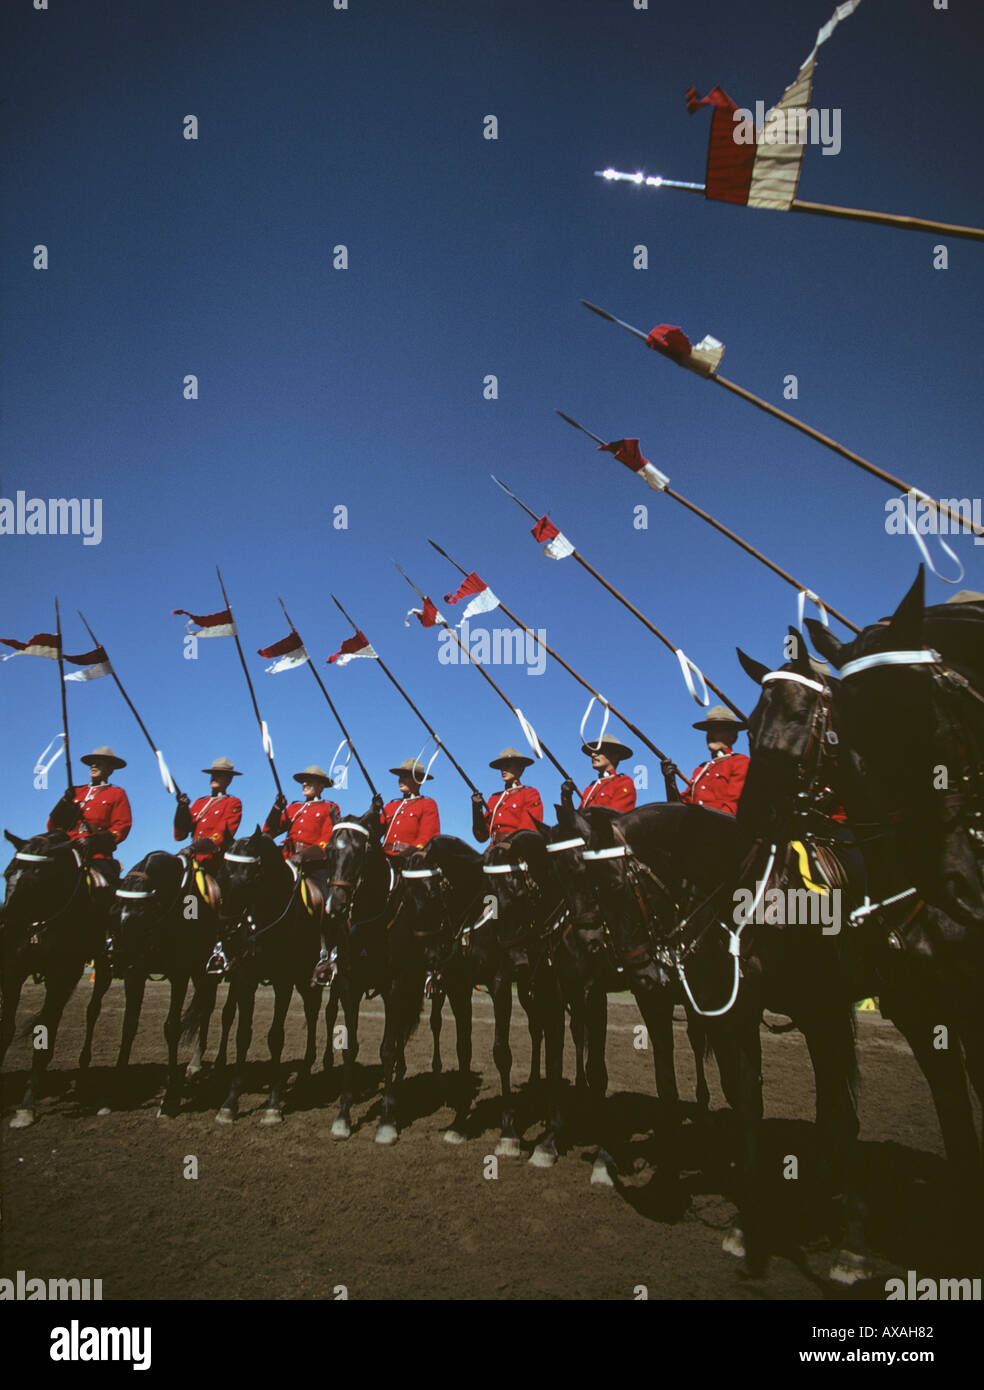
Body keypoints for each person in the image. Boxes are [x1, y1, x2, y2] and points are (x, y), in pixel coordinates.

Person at [47, 745, 132, 880]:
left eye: (99, 763)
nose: (93, 765)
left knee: (106, 884)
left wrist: (94, 841)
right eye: (92, 763)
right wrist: (63, 803)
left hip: (95, 853)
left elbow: (121, 827)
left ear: (110, 769)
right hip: (65, 848)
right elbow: (52, 826)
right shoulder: (75, 792)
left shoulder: (117, 794)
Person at [662, 706, 749, 816]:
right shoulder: (700, 770)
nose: (710, 734)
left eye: (717, 730)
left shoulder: (740, 762)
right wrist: (670, 782)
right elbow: (680, 810)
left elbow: (733, 805)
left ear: (733, 736)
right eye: (708, 730)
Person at [173, 757, 243, 864]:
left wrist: (194, 848)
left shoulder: (233, 803)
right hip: (191, 857)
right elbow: (180, 835)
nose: (214, 777)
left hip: (214, 859)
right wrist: (182, 809)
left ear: (229, 779)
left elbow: (221, 833)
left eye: (219, 775)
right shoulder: (199, 802)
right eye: (213, 774)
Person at [264, 766, 340, 859]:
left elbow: (328, 837)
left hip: (313, 861)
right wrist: (276, 809)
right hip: (287, 857)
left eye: (309, 781)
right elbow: (269, 833)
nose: (304, 784)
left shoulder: (329, 807)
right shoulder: (293, 807)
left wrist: (304, 855)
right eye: (303, 781)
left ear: (321, 786)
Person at [472, 747, 544, 843]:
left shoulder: (529, 794)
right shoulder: (494, 798)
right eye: (501, 767)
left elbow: (528, 830)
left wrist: (510, 845)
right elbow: (481, 836)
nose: (503, 770)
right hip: (494, 850)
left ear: (520, 769)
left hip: (517, 850)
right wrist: (477, 809)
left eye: (508, 766)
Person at [563, 733, 636, 813]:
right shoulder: (590, 788)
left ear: (615, 756)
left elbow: (618, 819)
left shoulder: (623, 782)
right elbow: (577, 821)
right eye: (593, 751)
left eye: (599, 751)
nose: (593, 754)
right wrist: (566, 797)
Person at [381, 759, 440, 856]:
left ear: (418, 780)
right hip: (385, 858)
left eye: (405, 776)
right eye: (400, 776)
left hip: (410, 859)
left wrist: (407, 853)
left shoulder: (427, 804)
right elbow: (374, 830)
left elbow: (427, 837)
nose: (401, 780)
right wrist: (373, 811)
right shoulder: (390, 806)